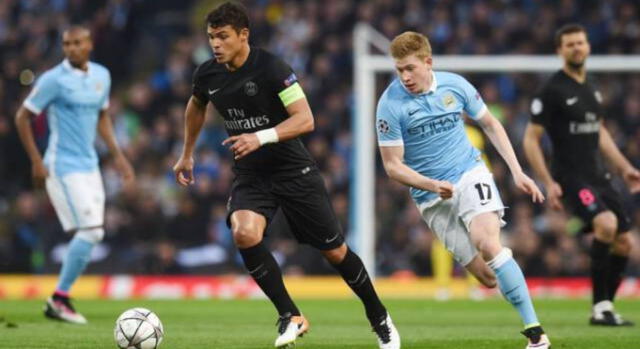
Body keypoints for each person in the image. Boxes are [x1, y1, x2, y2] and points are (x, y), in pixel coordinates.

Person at [172, 3, 400, 348]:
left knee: (335, 252)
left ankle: (379, 316)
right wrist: (187, 153)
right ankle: (290, 315)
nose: (215, 44)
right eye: (211, 38)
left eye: (222, 37)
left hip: (294, 171)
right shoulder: (207, 74)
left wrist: (260, 136)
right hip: (252, 175)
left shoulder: (272, 68)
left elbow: (306, 119)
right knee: (244, 233)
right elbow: (196, 104)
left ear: (243, 35)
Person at [376, 31, 550, 349]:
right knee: (486, 278)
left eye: (410, 68)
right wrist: (430, 184)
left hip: (469, 172)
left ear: (428, 62)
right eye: (399, 69)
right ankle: (509, 271)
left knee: (487, 242)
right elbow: (392, 166)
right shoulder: (389, 104)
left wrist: (516, 170)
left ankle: (536, 334)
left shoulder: (456, 86)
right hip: (431, 196)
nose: (404, 76)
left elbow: (491, 124)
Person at [15, 26, 134, 324]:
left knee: (95, 232)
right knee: (91, 231)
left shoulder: (101, 76)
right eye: (66, 44)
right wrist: (36, 161)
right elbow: (23, 116)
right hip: (62, 165)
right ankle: (59, 298)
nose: (71, 48)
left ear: (89, 44)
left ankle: (60, 297)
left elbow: (102, 116)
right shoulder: (53, 79)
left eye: (77, 43)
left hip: (90, 165)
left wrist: (118, 156)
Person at [523, 23, 639, 326]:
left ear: (588, 46)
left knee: (625, 244)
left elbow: (599, 132)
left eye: (580, 43)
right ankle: (600, 309)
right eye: (570, 44)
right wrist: (548, 181)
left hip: (601, 177)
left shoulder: (593, 86)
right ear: (559, 50)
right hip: (571, 177)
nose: (576, 48)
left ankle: (604, 307)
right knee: (606, 223)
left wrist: (625, 167)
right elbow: (530, 138)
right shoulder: (551, 90)